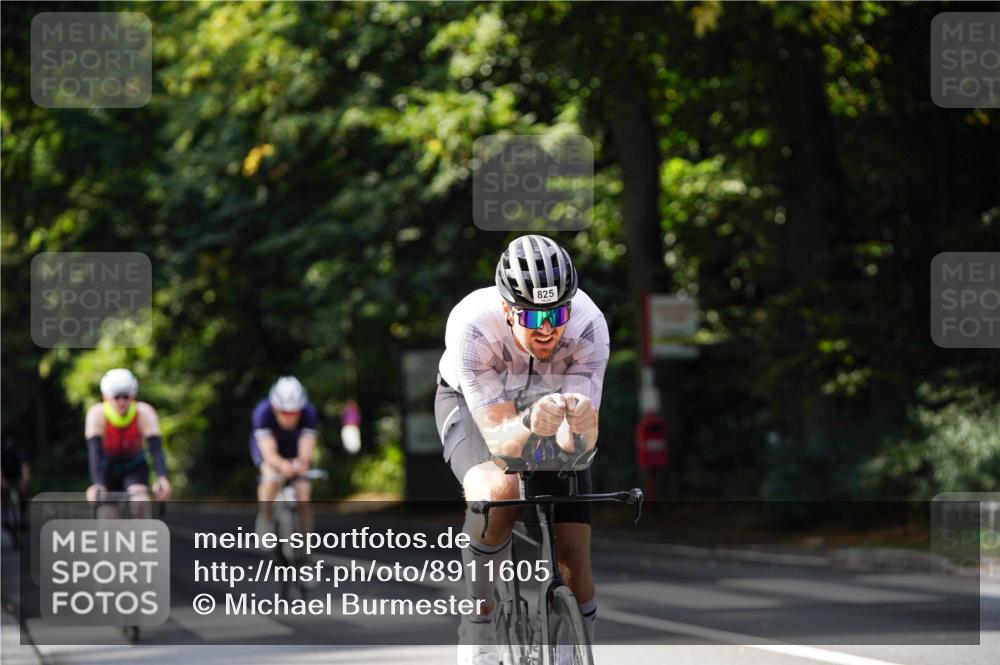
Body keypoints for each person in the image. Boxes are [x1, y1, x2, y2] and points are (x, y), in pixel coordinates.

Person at [437, 235, 609, 665]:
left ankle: (574, 654)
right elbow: (501, 441)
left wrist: (580, 430)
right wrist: (532, 423)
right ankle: (478, 621)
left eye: (557, 312)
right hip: (475, 409)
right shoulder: (474, 328)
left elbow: (578, 449)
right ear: (507, 310)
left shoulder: (589, 326)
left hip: (549, 410)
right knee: (498, 491)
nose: (548, 327)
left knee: (573, 549)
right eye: (533, 315)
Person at [85, 369, 171, 515]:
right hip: (108, 469)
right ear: (106, 396)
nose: (122, 402)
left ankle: (143, 537)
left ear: (133, 395)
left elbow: (156, 449)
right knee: (107, 516)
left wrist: (162, 477)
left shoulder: (144, 412)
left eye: (126, 396)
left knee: (140, 503)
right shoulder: (96, 414)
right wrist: (98, 483)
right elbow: (95, 453)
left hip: (134, 467)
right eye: (116, 397)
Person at [250, 376, 319, 539]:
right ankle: (265, 517)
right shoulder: (262, 412)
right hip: (270, 446)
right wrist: (282, 465)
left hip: (294, 446)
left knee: (303, 492)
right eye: (284, 412)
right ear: (275, 408)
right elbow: (268, 453)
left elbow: (306, 447)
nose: (290, 417)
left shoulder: (309, 412)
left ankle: (306, 545)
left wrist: (301, 462)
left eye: (294, 412)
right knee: (270, 478)